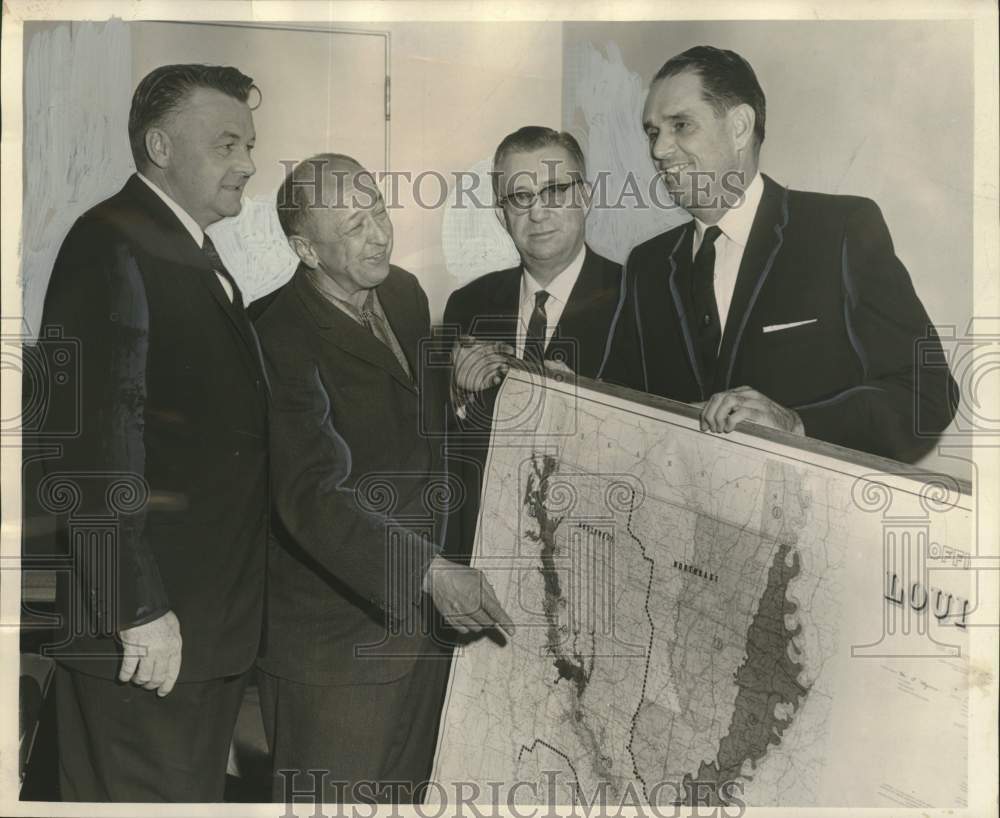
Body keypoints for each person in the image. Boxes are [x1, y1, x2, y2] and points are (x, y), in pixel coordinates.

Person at [253, 153, 514, 805]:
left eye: (378, 212)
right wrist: (428, 570)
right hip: (335, 653)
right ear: (305, 248)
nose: (378, 235)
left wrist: (453, 395)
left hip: (421, 631)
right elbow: (313, 497)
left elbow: (409, 428)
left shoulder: (402, 292)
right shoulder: (275, 335)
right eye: (354, 226)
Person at [38, 64, 268, 801]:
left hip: (194, 639)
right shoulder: (112, 241)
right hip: (143, 643)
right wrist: (136, 612)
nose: (248, 164)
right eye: (228, 143)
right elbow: (92, 449)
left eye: (251, 145)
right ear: (161, 146)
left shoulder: (181, 249)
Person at [598, 46, 958, 463]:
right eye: (652, 131)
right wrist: (562, 391)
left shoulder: (839, 230)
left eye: (681, 125)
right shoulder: (646, 265)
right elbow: (614, 406)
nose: (659, 150)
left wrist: (798, 425)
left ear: (739, 126)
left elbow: (929, 391)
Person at [443, 126, 622, 561]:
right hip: (488, 555)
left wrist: (592, 408)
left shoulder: (639, 297)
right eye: (519, 197)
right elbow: (449, 453)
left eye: (555, 190)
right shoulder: (466, 305)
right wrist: (455, 395)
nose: (537, 213)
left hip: (598, 553)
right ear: (502, 214)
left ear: (585, 196)